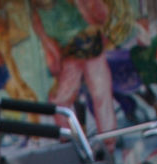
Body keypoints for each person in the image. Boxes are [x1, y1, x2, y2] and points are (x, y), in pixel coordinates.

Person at [30, 0, 118, 135]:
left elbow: (100, 14)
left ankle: (109, 136)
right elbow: (49, 46)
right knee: (60, 98)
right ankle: (68, 135)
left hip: (91, 48)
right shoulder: (38, 17)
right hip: (69, 56)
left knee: (101, 92)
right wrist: (56, 72)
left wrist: (97, 27)